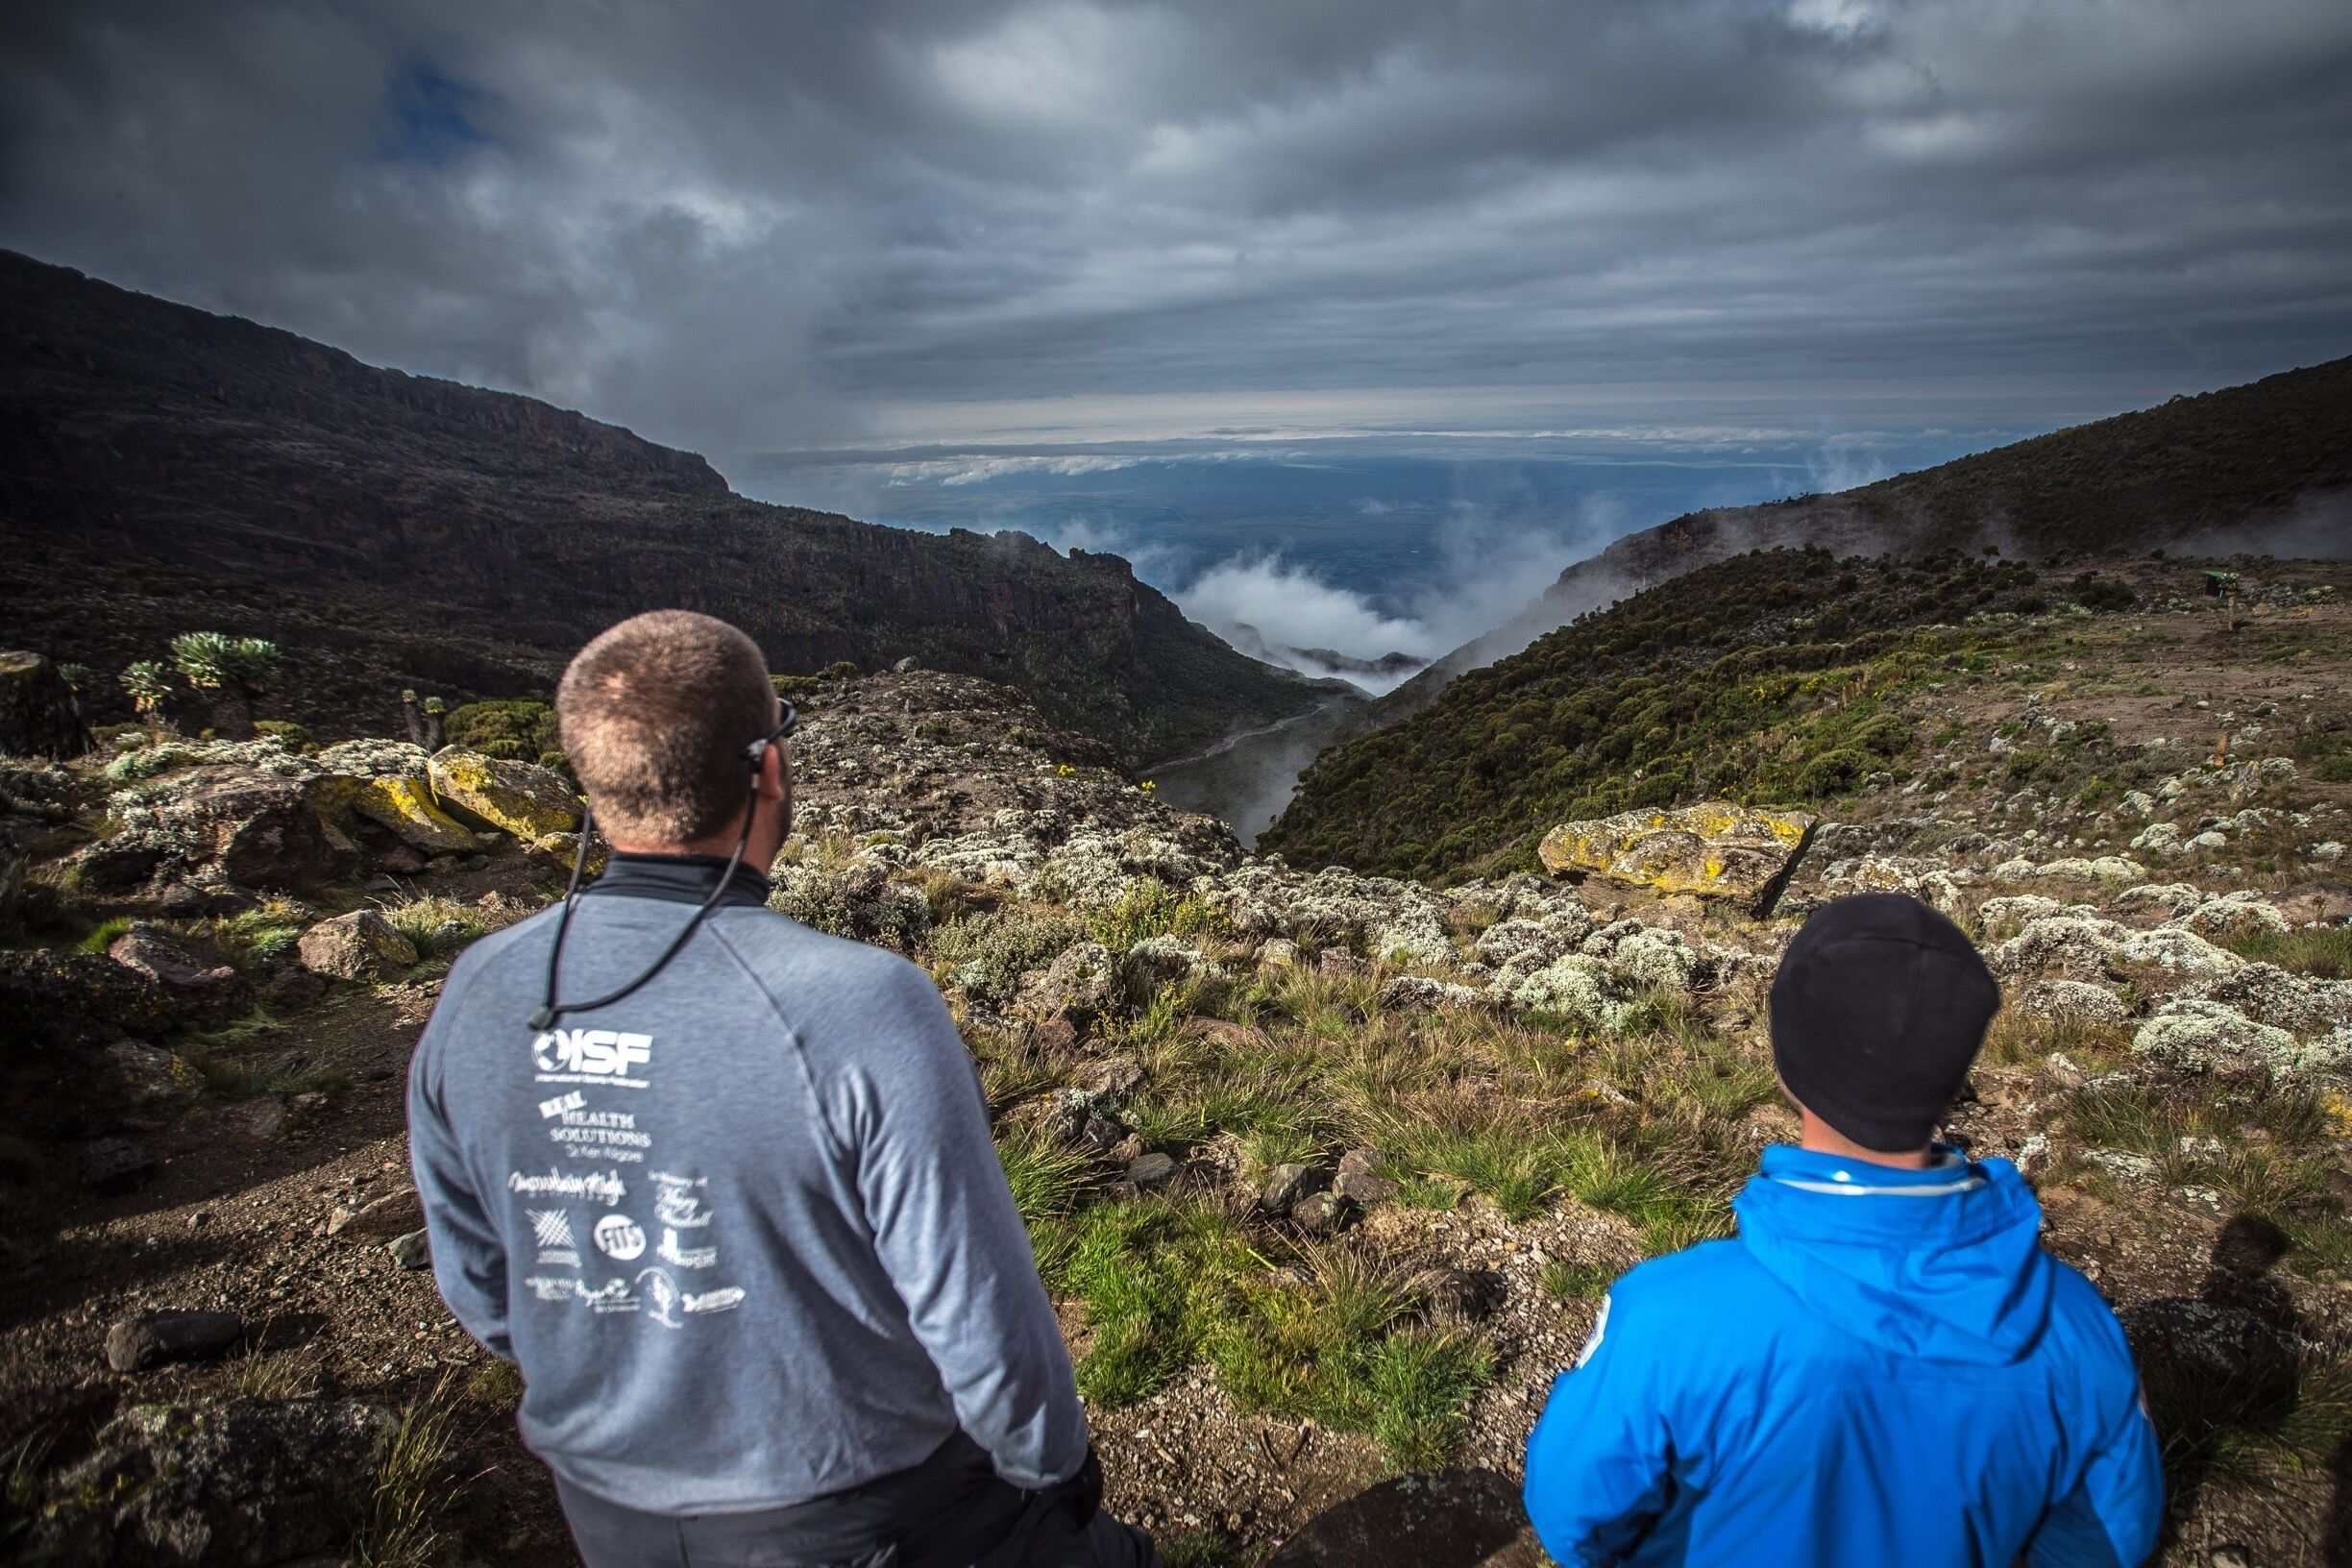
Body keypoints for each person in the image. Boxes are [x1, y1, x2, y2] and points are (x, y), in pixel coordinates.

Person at [408, 610, 1158, 1568]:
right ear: (768, 768)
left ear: (595, 786)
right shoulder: (859, 1005)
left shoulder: (480, 989)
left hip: (606, 1506)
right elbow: (978, 1311)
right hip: (866, 1510)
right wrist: (1054, 1466)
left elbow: (482, 1286)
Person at [1522, 893, 2164, 1567]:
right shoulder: (2079, 1329)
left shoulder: (1666, 1315)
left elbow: (1572, 1516)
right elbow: (2105, 1542)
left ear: (1788, 1061)